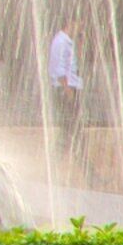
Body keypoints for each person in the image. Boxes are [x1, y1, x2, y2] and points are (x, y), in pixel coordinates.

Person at [47, 18, 86, 174]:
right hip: (65, 91)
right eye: (79, 23)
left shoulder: (67, 41)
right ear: (70, 22)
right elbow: (58, 68)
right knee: (73, 133)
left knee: (71, 132)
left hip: (69, 90)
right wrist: (68, 90)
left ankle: (54, 168)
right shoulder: (61, 42)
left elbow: (73, 63)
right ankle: (88, 174)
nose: (81, 27)